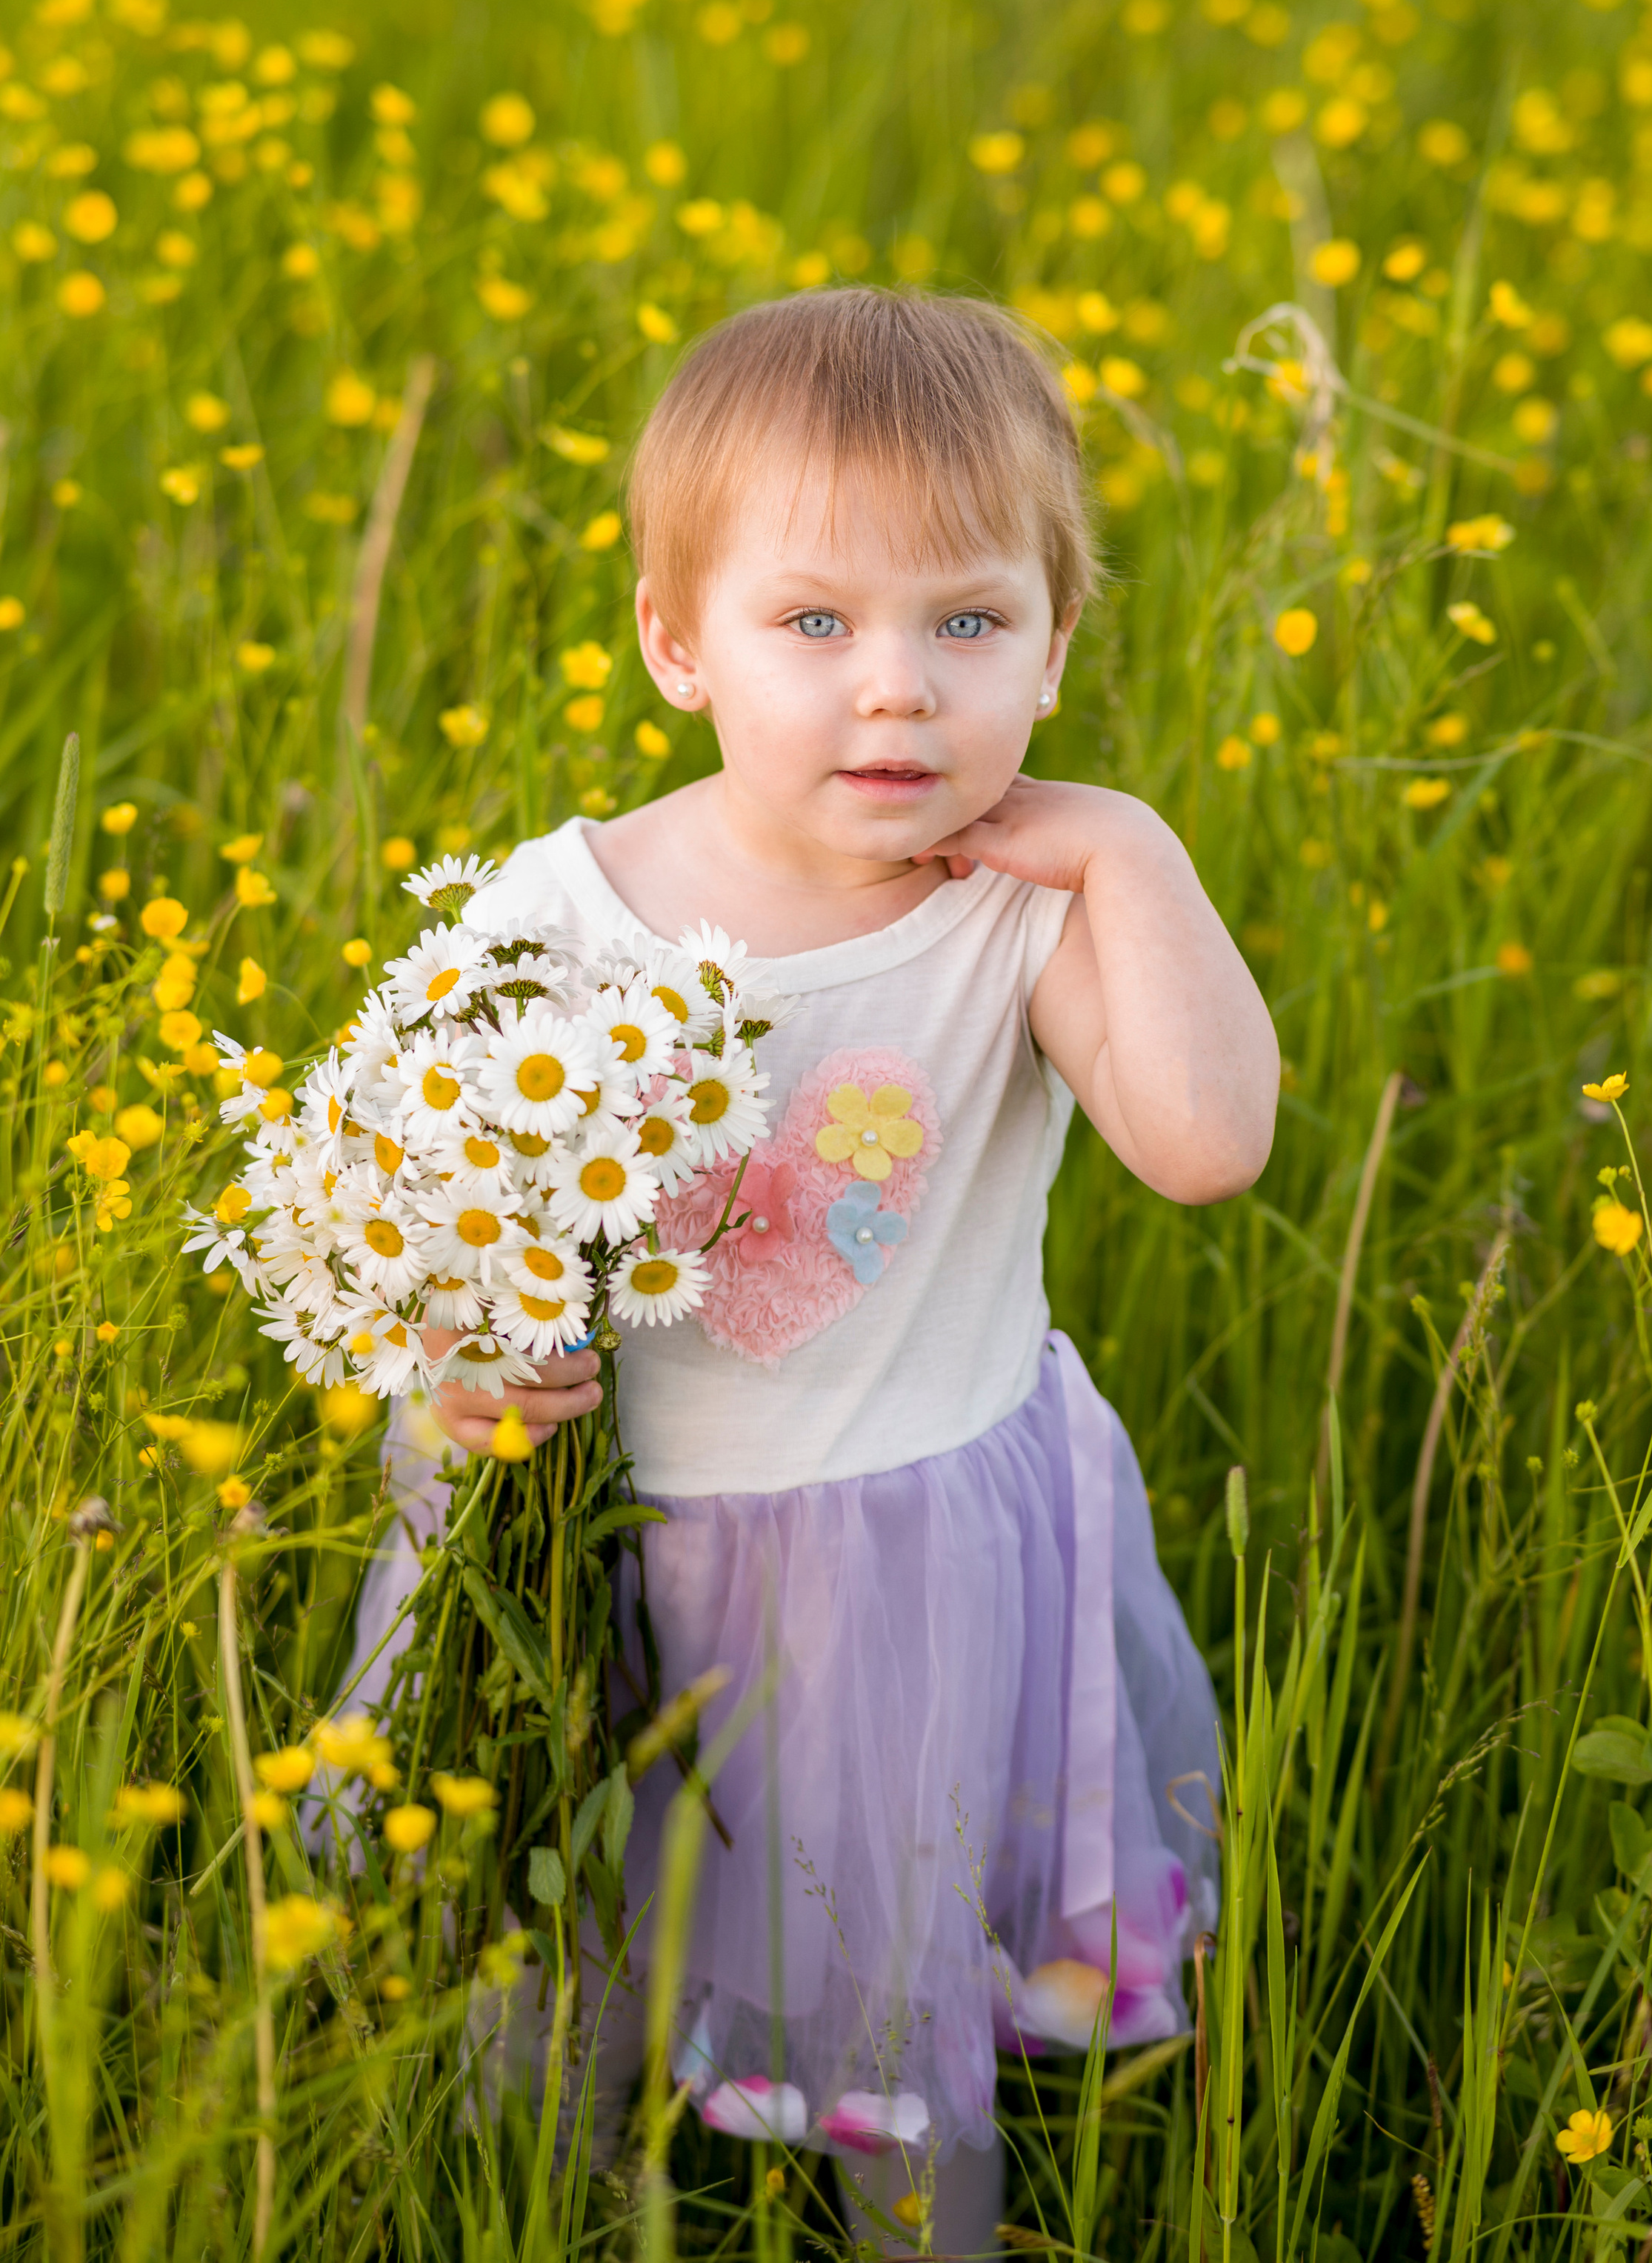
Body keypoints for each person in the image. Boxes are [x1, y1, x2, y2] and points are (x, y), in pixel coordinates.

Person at [347, 285, 1279, 2250]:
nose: (898, 691)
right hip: (602, 1549)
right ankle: (552, 2199)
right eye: (814, 622)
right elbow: (419, 1214)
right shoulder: (558, 911)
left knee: (889, 2017)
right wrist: (454, 1366)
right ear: (677, 642)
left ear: (1055, 641)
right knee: (552, 1972)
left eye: (968, 621)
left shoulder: (1016, 912)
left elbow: (1205, 1149)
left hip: (899, 1578)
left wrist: (1130, 852)